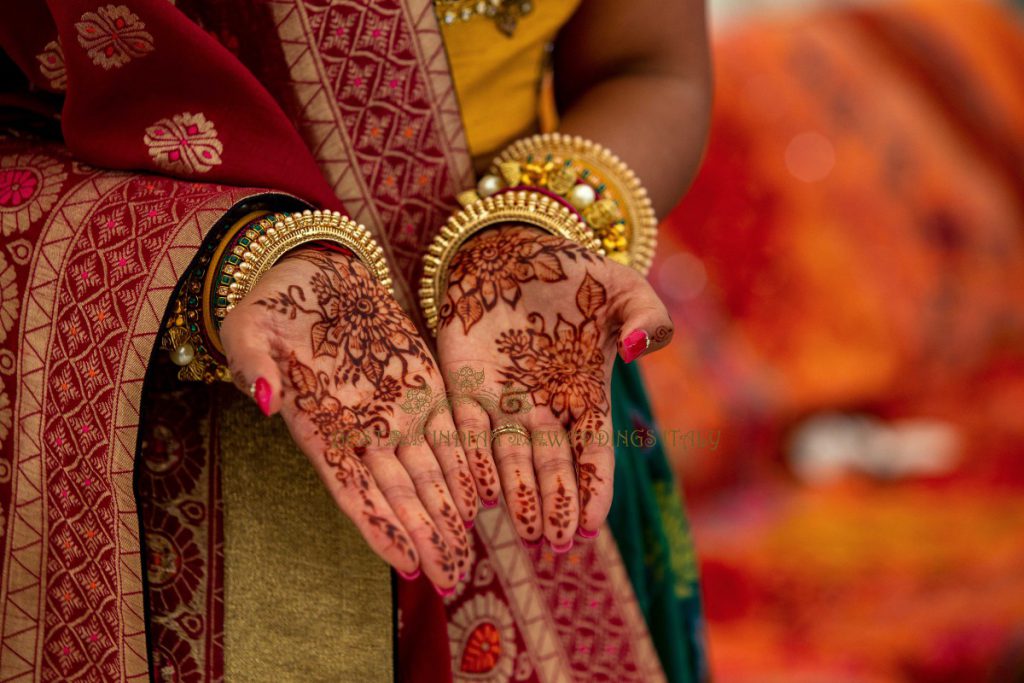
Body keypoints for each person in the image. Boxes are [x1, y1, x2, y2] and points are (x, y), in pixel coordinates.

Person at [0, 0, 711, 680]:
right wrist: (227, 260)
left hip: (533, 391)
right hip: (182, 467)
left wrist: (535, 226)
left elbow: (649, 67)